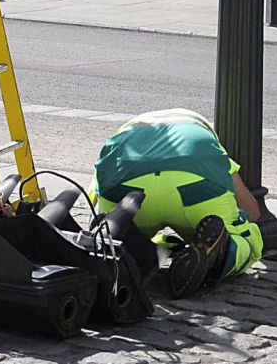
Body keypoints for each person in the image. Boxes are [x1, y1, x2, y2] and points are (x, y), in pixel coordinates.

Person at [90, 108, 263, 298]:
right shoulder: (204, 142)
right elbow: (253, 211)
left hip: (126, 191)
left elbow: (94, 197)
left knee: (111, 234)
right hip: (194, 187)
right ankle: (221, 253)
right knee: (249, 241)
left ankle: (130, 252)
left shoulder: (121, 138)